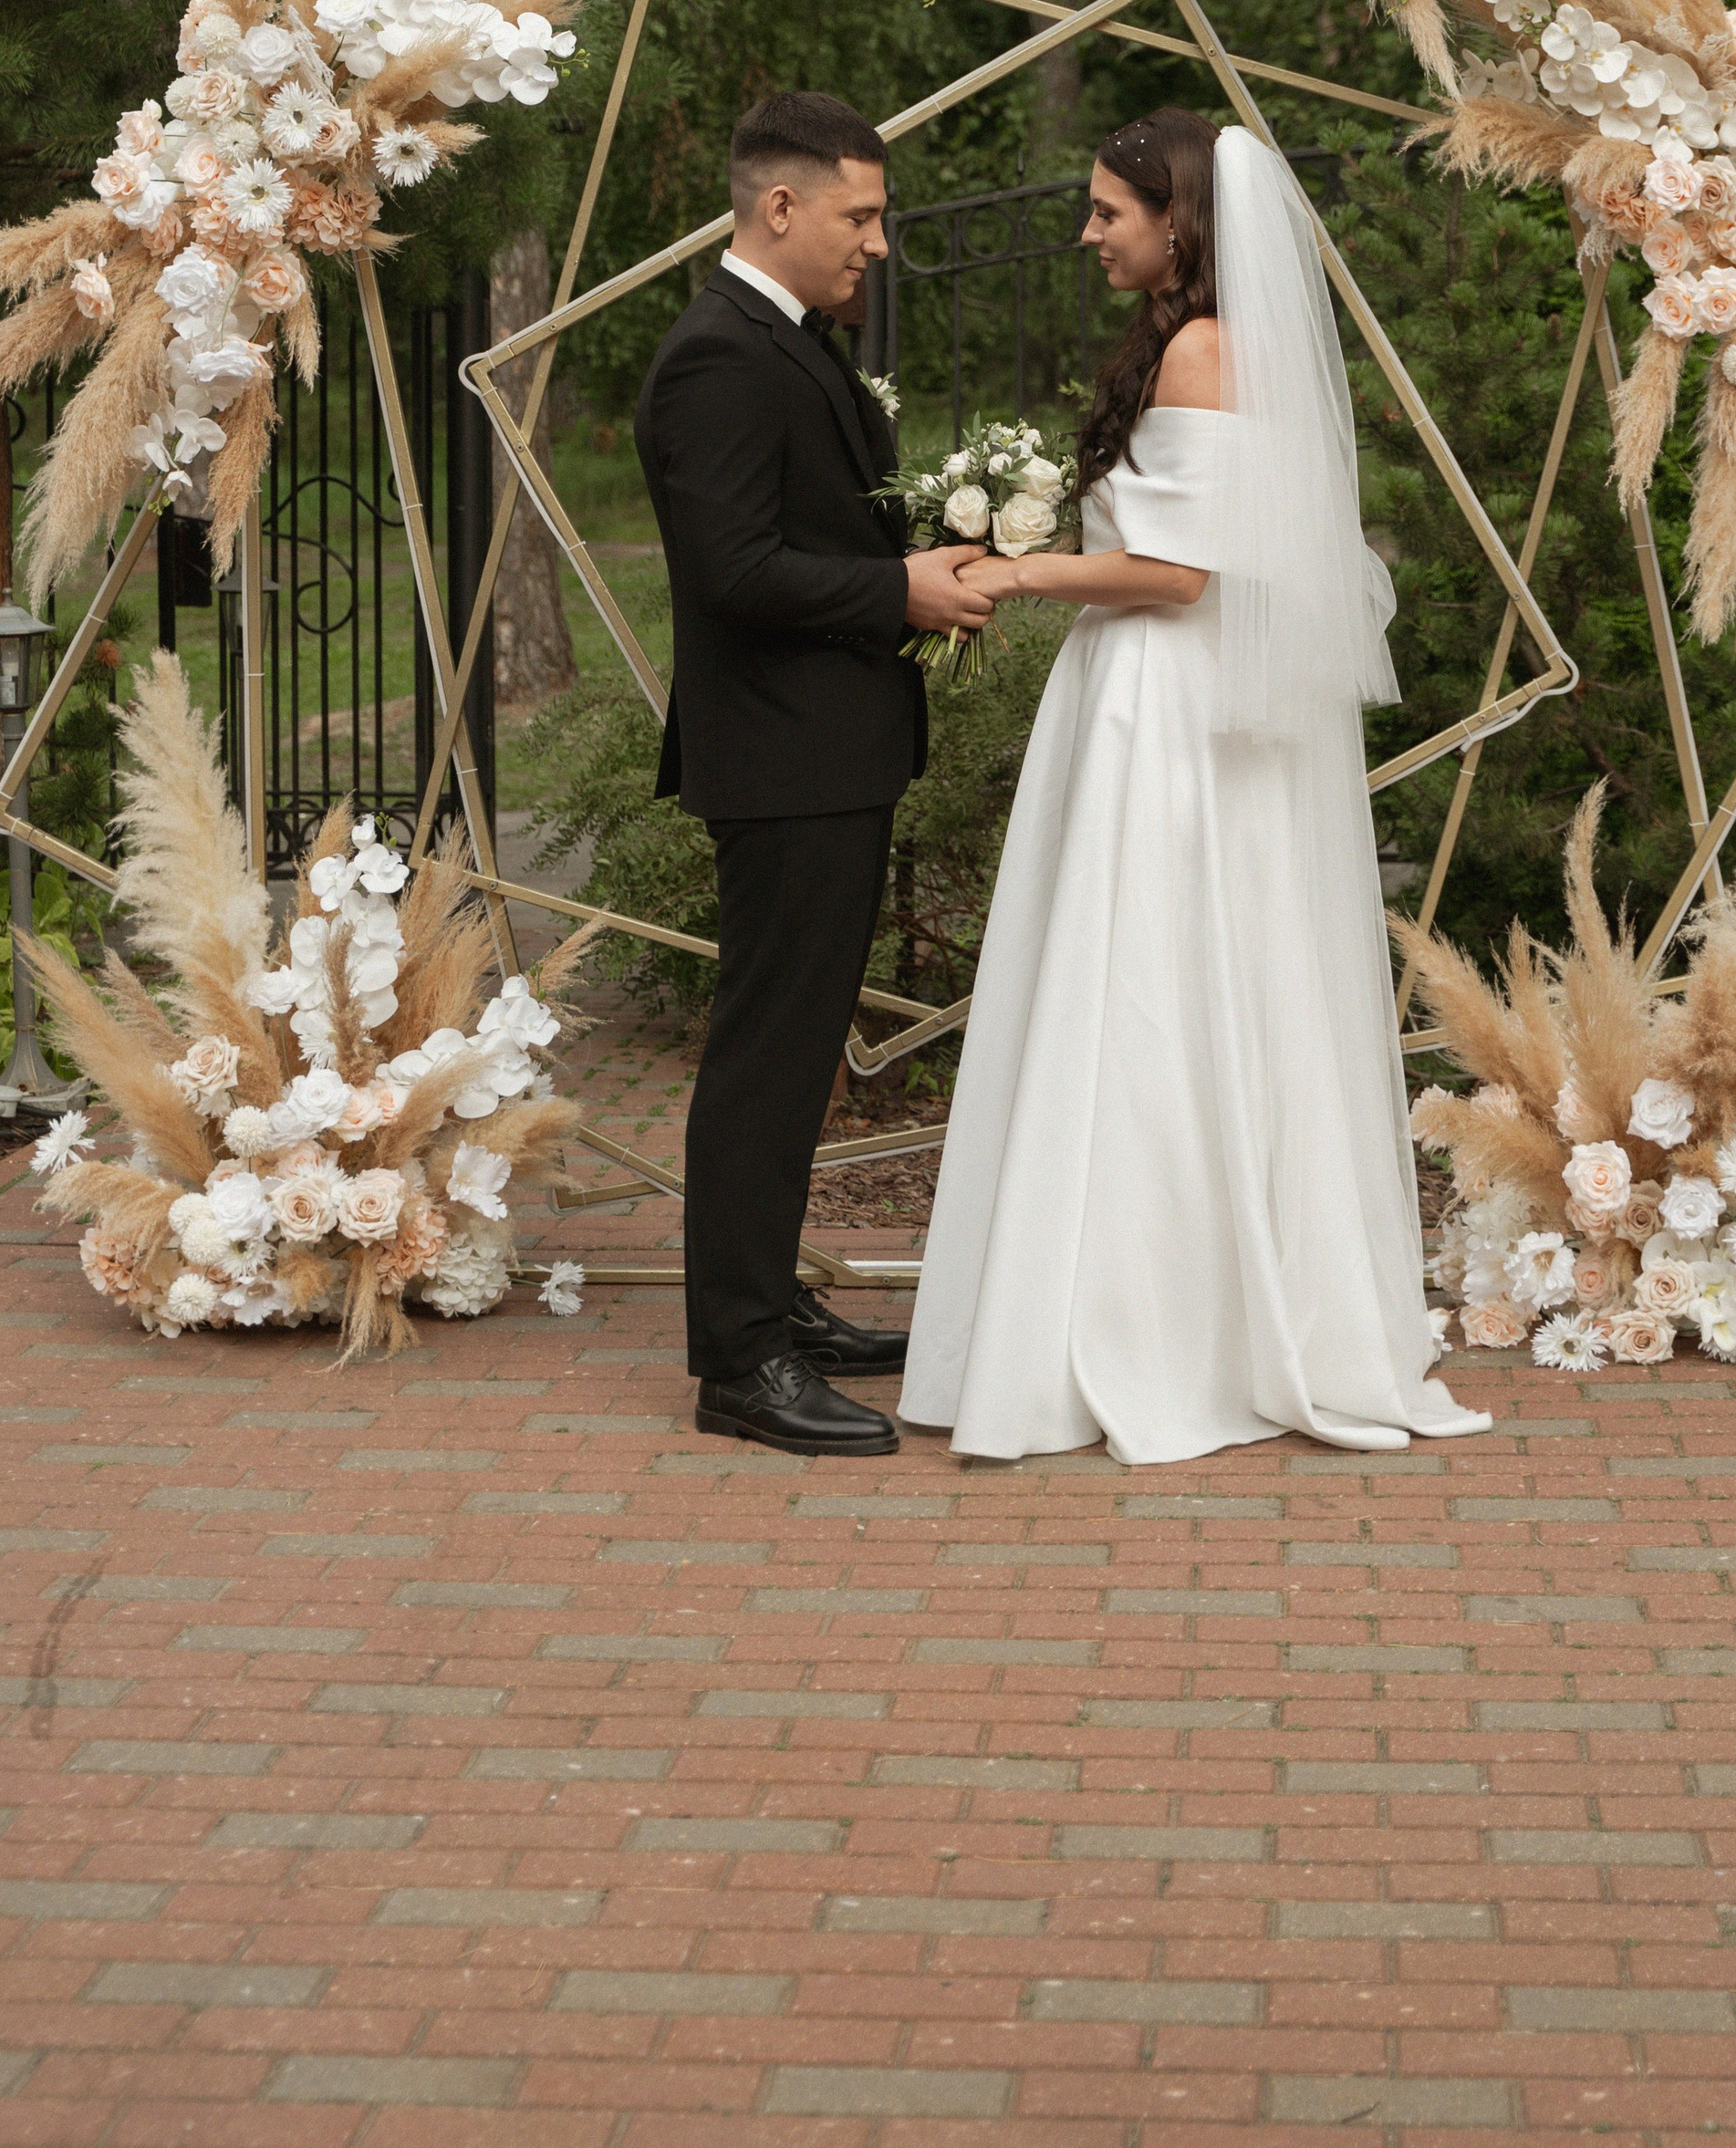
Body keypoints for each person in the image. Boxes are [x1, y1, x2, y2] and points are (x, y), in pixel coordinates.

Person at [899, 108, 1492, 1465]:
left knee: (1147, 987)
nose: (1091, 231)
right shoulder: (1193, 345)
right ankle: (1169, 1304)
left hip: (1164, 702)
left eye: (1111, 210)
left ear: (1181, 221)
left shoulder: (1208, 351)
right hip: (1151, 695)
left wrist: (1016, 569)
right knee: (1168, 984)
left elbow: (1179, 577)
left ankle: (1148, 1328)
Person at [633, 89, 993, 1457]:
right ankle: (737, 1362)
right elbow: (727, 572)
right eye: (860, 215)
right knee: (767, 1062)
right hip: (781, 759)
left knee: (793, 1058)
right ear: (778, 208)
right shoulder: (718, 358)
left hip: (823, 753)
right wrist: (894, 590)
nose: (878, 245)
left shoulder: (783, 340)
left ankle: (768, 1307)